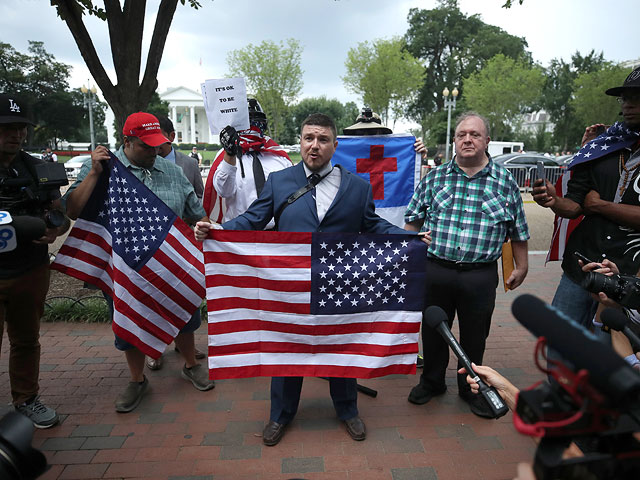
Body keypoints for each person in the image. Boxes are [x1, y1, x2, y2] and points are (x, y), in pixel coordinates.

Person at [195, 113, 430, 446]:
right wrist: (218, 231)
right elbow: (252, 219)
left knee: (342, 347)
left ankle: (348, 410)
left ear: (335, 145)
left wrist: (410, 239)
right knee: (287, 349)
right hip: (289, 287)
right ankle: (280, 415)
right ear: (300, 142)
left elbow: (374, 227)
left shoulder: (358, 187)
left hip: (341, 284)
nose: (314, 146)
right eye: (308, 138)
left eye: (322, 139)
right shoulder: (280, 182)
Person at [64, 112, 214, 413]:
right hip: (124, 266)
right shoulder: (103, 170)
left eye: (158, 145)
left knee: (185, 315)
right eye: (146, 146)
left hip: (169, 266)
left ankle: (189, 364)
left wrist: (203, 226)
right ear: (127, 141)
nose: (154, 151)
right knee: (126, 322)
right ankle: (137, 379)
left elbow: (198, 213)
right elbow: (73, 210)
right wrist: (93, 173)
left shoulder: (171, 171)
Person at [404, 111, 529, 418]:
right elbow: (412, 221)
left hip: (479, 275)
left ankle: (472, 387)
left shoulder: (505, 182)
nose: (467, 139)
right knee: (433, 331)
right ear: (455, 140)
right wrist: (410, 251)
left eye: (474, 134)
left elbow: (519, 231)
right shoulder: (434, 178)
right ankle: (432, 382)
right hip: (437, 270)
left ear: (487, 141)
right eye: (462, 135)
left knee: (475, 335)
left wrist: (522, 266)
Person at [532, 66, 640, 333]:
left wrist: (601, 205)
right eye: (624, 98)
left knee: (611, 355)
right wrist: (553, 200)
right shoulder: (604, 146)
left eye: (636, 97)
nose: (628, 104)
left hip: (629, 273)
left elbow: (591, 204)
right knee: (558, 342)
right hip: (582, 263)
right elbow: (575, 204)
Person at [0, 93, 70, 428]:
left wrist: (53, 229)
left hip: (29, 269)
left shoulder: (37, 168)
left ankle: (26, 399)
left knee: (26, 340)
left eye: (20, 128)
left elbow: (60, 216)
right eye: (7, 128)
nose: (16, 134)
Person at [143, 115, 207, 371]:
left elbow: (198, 197)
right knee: (152, 303)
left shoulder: (186, 164)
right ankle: (153, 349)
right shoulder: (129, 167)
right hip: (148, 249)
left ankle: (185, 348)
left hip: (180, 245)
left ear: (170, 137)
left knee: (183, 300)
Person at [203, 98, 291, 227]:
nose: (252, 126)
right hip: (240, 234)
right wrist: (230, 155)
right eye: (247, 121)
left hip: (275, 234)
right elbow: (224, 191)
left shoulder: (278, 156)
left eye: (256, 120)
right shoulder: (225, 156)